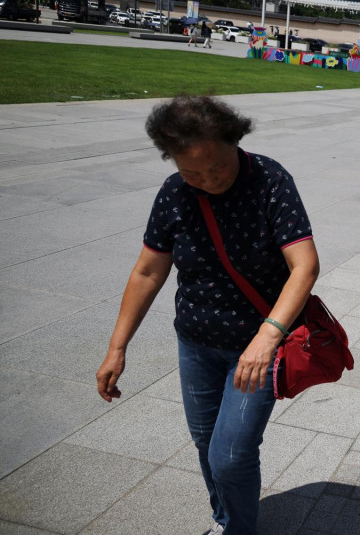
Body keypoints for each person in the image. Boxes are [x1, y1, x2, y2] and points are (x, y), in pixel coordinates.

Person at [96, 95, 319, 535]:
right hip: (195, 344)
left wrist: (268, 336)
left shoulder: (269, 179)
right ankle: (227, 518)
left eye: (217, 166)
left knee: (231, 454)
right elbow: (146, 271)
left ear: (234, 141)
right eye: (191, 172)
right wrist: (117, 348)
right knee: (206, 443)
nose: (208, 179)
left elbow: (305, 265)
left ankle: (238, 529)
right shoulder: (175, 193)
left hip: (257, 348)